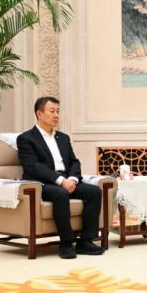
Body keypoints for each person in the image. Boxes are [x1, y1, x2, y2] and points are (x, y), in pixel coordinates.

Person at [17, 97, 104, 259]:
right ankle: (66, 242)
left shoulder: (63, 138)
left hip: (66, 179)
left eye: (57, 111)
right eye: (52, 111)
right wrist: (61, 181)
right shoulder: (26, 139)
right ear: (39, 114)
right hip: (42, 183)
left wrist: (72, 179)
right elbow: (34, 167)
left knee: (94, 192)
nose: (56, 115)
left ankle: (85, 241)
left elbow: (74, 162)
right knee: (60, 194)